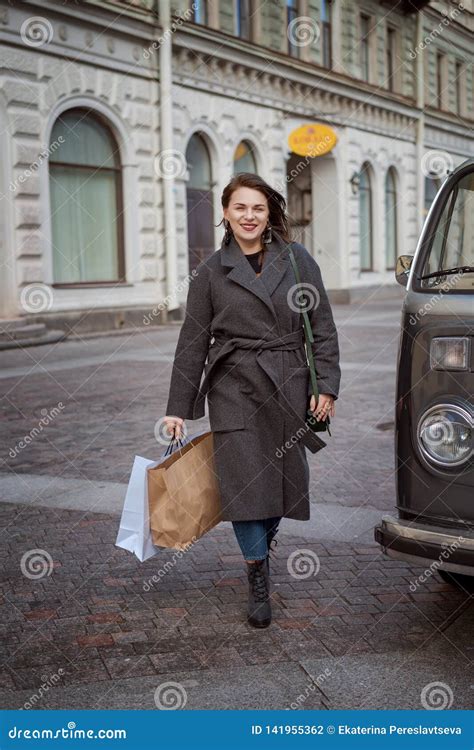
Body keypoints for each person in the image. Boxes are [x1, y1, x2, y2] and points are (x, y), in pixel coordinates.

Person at [163, 172, 340, 629]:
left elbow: (321, 328)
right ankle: (256, 573)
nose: (249, 216)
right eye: (240, 208)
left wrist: (326, 385)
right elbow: (192, 342)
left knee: (282, 483)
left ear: (269, 214)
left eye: (257, 208)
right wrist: (178, 409)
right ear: (225, 213)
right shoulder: (210, 272)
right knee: (244, 487)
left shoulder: (298, 262)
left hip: (288, 382)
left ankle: (264, 542)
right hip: (234, 387)